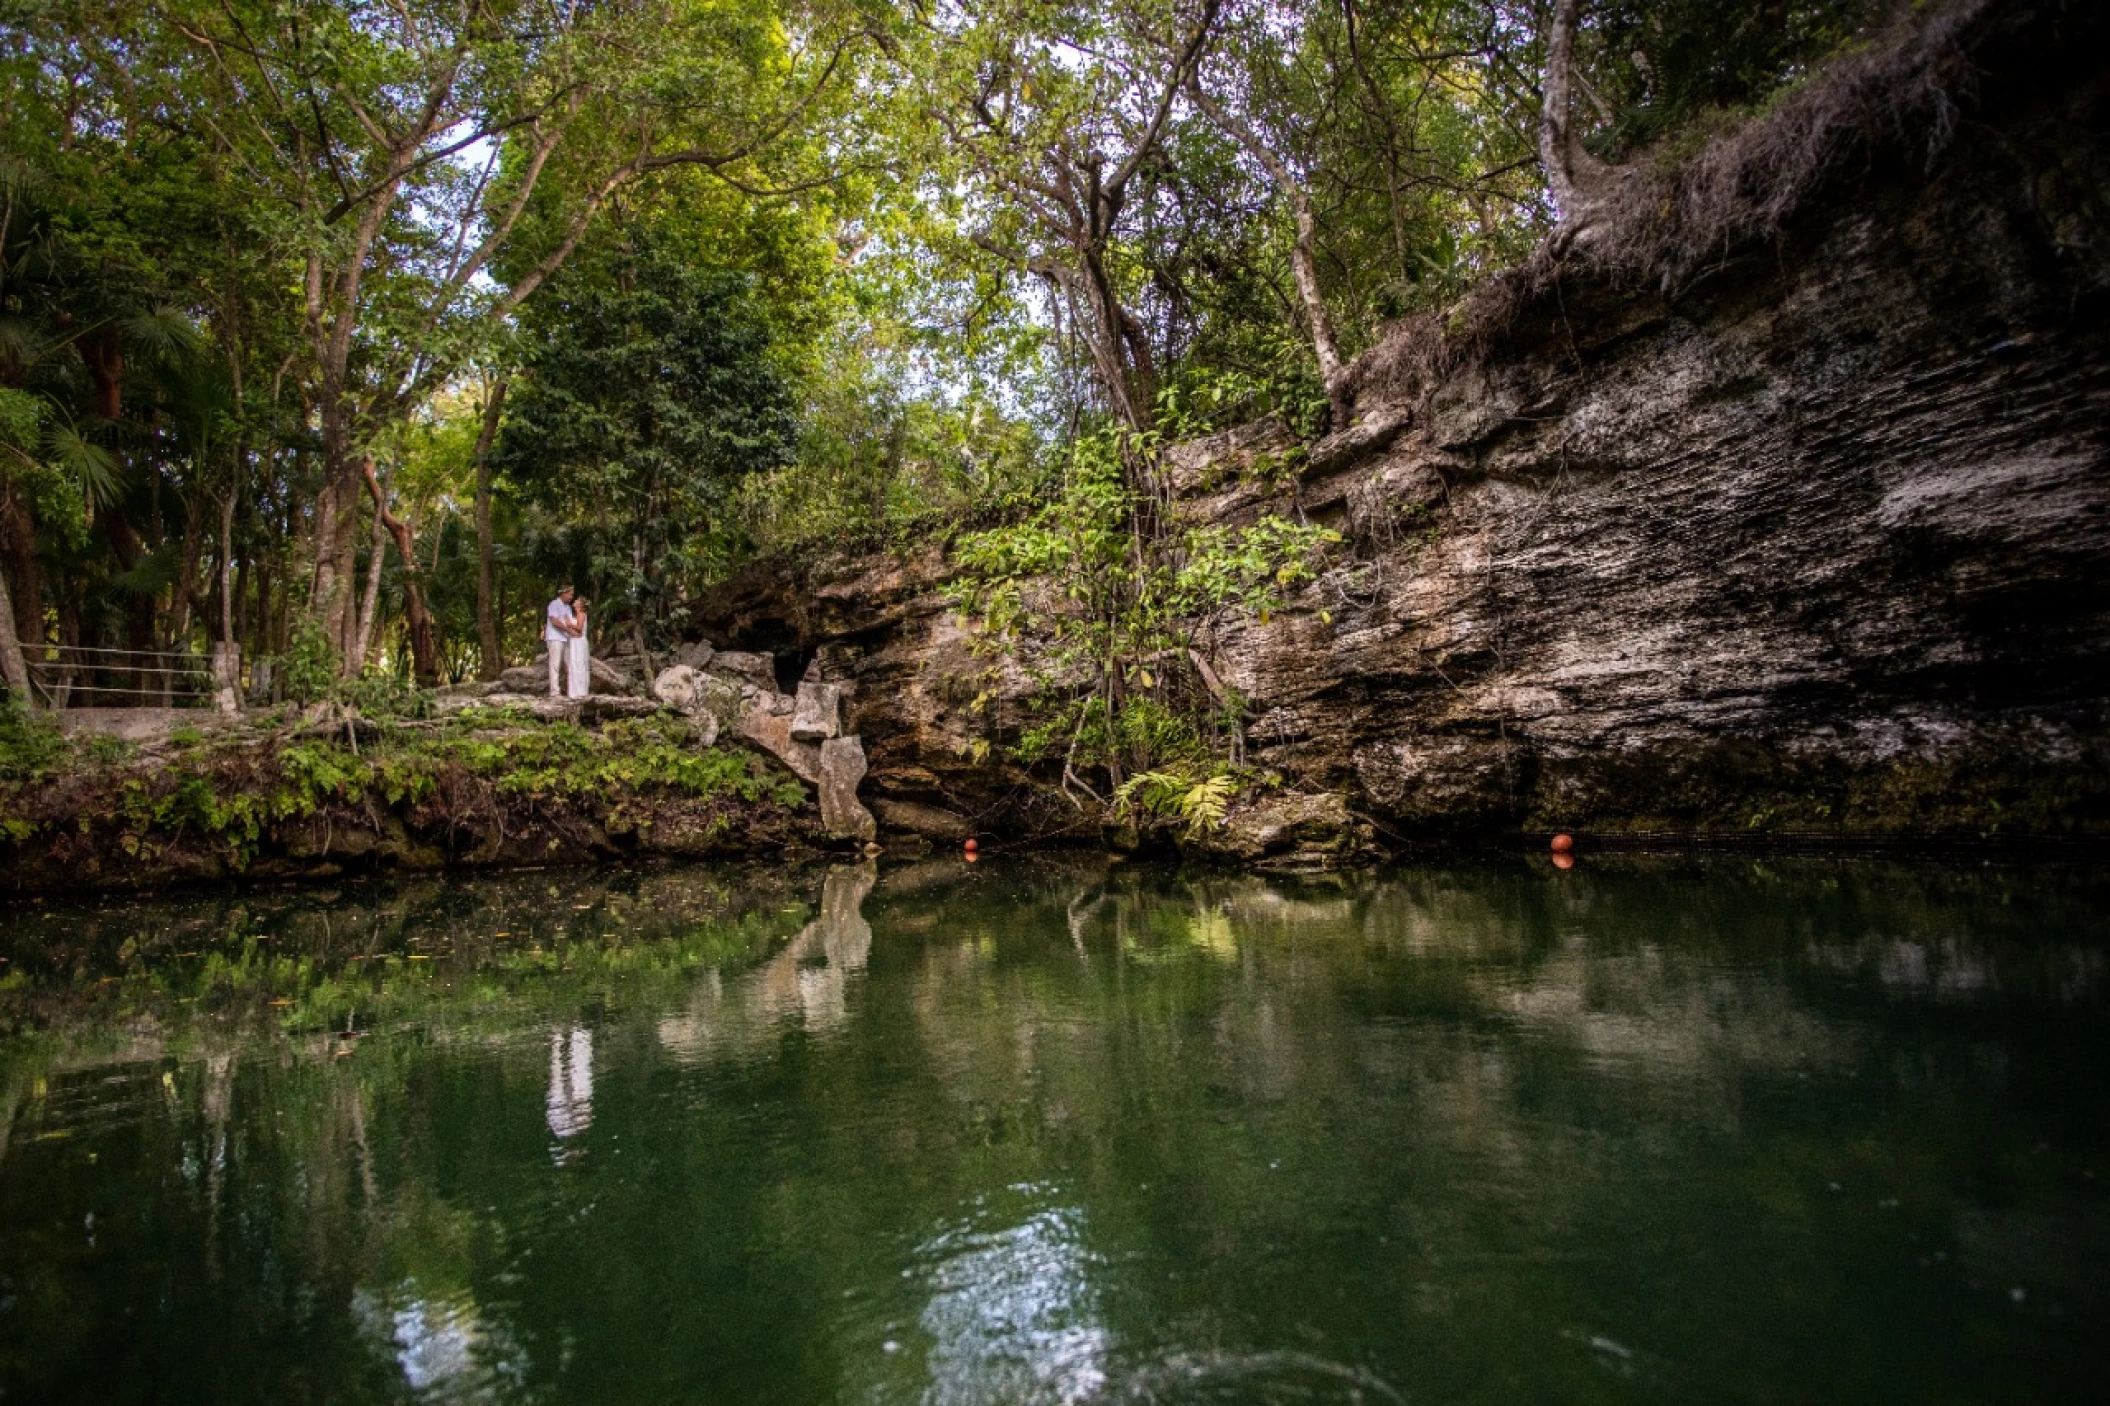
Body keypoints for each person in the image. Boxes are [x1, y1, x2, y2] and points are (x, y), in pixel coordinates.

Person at [544, 586, 578, 696]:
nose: (571, 597)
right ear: (564, 593)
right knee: (555, 664)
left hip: (566, 639)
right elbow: (555, 621)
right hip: (555, 638)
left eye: (572, 595)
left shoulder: (568, 607)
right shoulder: (554, 604)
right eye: (570, 594)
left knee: (569, 664)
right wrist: (568, 629)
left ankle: (572, 691)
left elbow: (570, 621)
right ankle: (554, 692)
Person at [566, 597, 591, 699]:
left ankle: (580, 691)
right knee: (574, 664)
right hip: (575, 641)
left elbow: (580, 628)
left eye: (577, 600)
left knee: (579, 664)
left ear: (580, 604)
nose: (575, 601)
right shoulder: (577, 614)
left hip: (579, 642)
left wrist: (570, 624)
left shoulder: (581, 614)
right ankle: (575, 691)